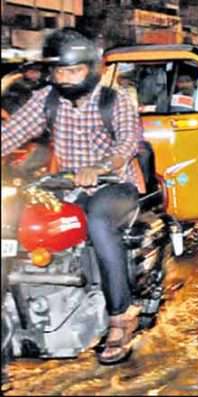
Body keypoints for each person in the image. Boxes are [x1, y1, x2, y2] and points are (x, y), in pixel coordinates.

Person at [1, 28, 144, 364]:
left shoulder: (114, 100)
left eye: (73, 70)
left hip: (115, 186)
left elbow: (127, 143)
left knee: (97, 221)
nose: (65, 78)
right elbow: (11, 134)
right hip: (65, 188)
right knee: (16, 222)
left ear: (90, 69)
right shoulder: (47, 99)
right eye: (59, 71)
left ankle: (121, 317)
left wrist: (102, 166)